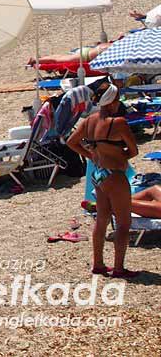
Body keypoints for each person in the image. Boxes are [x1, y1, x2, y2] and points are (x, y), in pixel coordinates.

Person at [67, 85, 140, 278]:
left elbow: (71, 142)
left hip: (98, 173)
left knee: (101, 220)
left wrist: (91, 155)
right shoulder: (118, 123)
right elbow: (134, 151)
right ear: (112, 101)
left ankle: (98, 264)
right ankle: (119, 268)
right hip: (115, 174)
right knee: (123, 223)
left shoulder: (89, 121)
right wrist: (120, 156)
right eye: (117, 99)